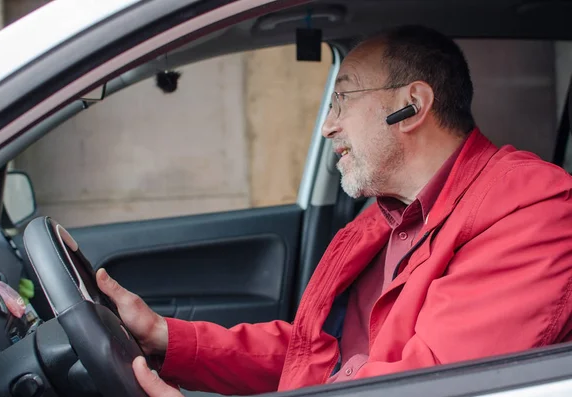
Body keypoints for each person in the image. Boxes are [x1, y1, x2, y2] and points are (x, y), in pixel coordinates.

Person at [97, 25, 572, 397]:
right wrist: (165, 337)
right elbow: (316, 355)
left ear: (412, 105)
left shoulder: (531, 212)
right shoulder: (389, 217)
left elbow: (426, 386)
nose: (327, 126)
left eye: (341, 99)